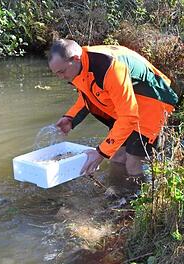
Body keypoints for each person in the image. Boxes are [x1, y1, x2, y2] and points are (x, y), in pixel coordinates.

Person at [48, 39, 178, 196]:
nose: (61, 77)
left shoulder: (109, 67)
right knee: (116, 157)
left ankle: (140, 202)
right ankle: (117, 195)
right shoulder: (79, 67)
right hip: (127, 103)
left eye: (61, 72)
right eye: (56, 74)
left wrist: (100, 152)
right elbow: (88, 95)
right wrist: (70, 118)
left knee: (132, 162)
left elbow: (129, 116)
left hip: (153, 102)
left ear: (75, 59)